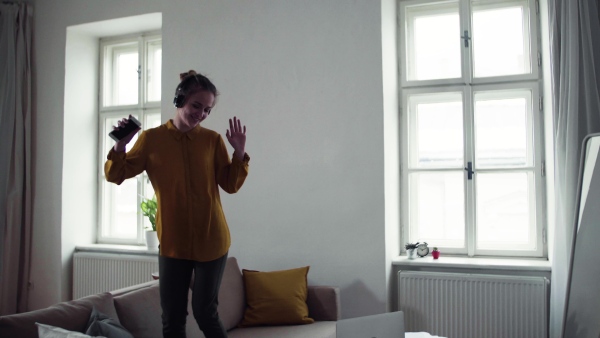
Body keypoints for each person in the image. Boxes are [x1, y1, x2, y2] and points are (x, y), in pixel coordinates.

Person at [104, 70, 249, 338]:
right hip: (173, 243)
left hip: (212, 240)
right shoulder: (151, 140)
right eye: (197, 106)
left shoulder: (212, 140)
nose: (201, 114)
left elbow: (230, 184)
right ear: (180, 99)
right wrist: (121, 147)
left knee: (205, 312)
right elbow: (116, 175)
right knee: (172, 319)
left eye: (207, 110)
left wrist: (239, 153)